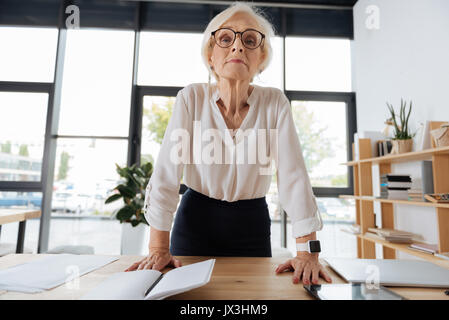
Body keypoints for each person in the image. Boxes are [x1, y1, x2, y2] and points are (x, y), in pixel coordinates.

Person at [125, 2, 332, 286]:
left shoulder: (275, 103)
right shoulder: (191, 98)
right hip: (194, 222)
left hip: (251, 226)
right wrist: (158, 249)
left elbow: (294, 178)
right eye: (225, 39)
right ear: (210, 56)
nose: (237, 47)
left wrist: (308, 253)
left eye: (249, 40)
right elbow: (166, 174)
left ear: (261, 59)